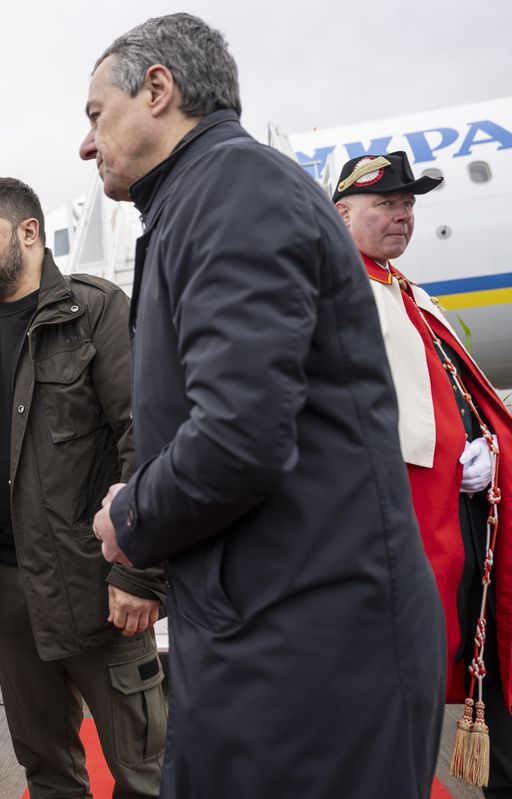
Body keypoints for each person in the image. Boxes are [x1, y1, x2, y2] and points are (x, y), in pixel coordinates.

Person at [80, 14, 446, 799]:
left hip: (311, 651)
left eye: (94, 114)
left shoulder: (231, 188)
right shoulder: (199, 198)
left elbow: (240, 435)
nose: (86, 142)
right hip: (280, 626)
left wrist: (129, 515)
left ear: (158, 89)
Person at [0, 177, 167, 798]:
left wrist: (140, 575)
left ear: (29, 232)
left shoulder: (96, 311)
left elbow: (144, 440)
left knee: (143, 775)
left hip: (98, 586)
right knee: (46, 774)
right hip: (11, 592)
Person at [335, 150, 512, 793]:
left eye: (408, 205)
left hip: (461, 516)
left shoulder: (406, 289)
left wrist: (485, 443)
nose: (402, 217)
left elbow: (458, 393)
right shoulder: (338, 296)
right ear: (341, 214)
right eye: (385, 204)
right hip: (403, 530)